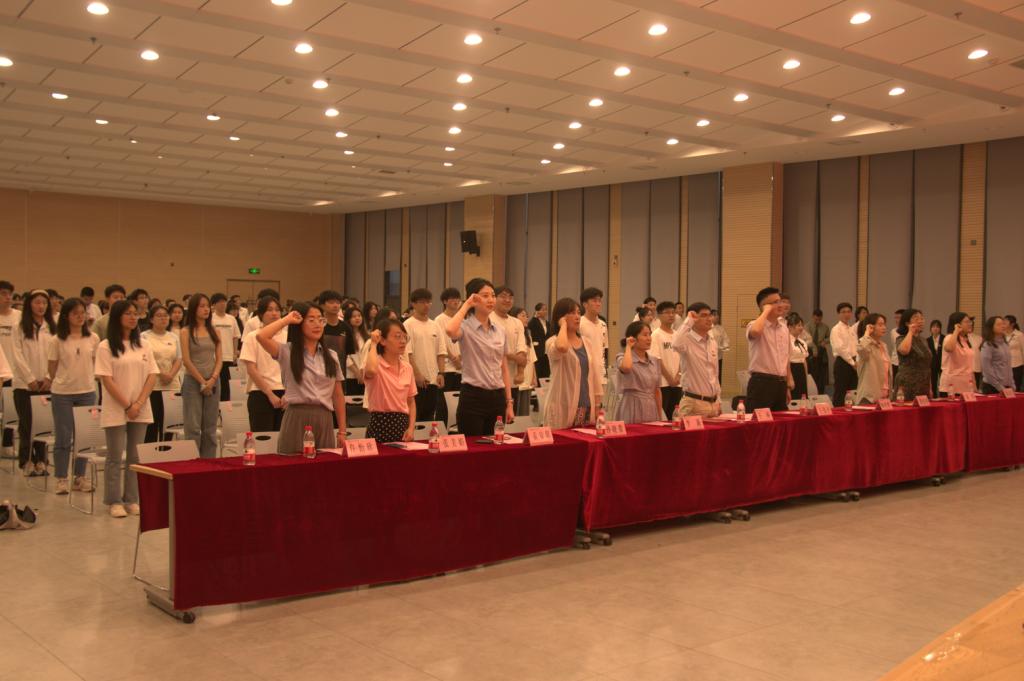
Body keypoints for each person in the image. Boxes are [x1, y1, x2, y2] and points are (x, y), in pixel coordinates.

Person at [94, 300, 158, 517]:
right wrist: (127, 405)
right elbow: (107, 379)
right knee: (114, 456)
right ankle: (114, 501)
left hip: (140, 407)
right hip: (116, 407)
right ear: (117, 317)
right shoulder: (105, 346)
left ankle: (131, 499)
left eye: (135, 313)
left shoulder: (144, 344)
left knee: (135, 456)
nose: (133, 317)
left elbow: (152, 375)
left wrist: (138, 403)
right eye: (128, 313)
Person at [256, 302, 346, 453]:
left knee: (324, 465)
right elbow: (261, 336)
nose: (317, 324)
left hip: (324, 418)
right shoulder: (287, 351)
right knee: (293, 464)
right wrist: (286, 320)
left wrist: (342, 431)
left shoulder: (331, 356)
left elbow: (338, 395)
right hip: (296, 416)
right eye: (311, 320)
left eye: (320, 319)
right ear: (299, 324)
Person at [445, 278, 515, 436]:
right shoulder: (465, 327)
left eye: (493, 295)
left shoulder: (500, 330)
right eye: (485, 296)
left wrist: (509, 403)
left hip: (497, 397)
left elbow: (503, 368)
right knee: (473, 447)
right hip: (473, 397)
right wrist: (467, 305)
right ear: (474, 298)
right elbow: (450, 330)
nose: (491, 300)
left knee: (496, 445)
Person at [46, 298, 99, 494]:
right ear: (66, 316)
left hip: (87, 392)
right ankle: (61, 478)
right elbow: (52, 368)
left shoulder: (93, 338)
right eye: (75, 313)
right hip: (63, 393)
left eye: (82, 312)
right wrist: (63, 380)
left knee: (83, 437)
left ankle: (79, 477)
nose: (80, 316)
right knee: (63, 437)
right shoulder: (56, 340)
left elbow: (95, 363)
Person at [12, 290, 55, 476]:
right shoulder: (19, 327)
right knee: (27, 424)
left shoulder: (52, 328)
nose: (41, 306)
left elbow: (55, 356)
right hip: (24, 385)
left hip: (46, 384)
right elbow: (17, 355)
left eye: (44, 303)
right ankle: (26, 460)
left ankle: (42, 460)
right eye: (37, 302)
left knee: (43, 425)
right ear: (30, 304)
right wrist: (29, 378)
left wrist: (48, 377)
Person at [543, 298, 603, 428]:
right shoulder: (552, 342)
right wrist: (563, 326)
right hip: (563, 405)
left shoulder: (587, 342)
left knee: (586, 439)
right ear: (561, 317)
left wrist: (598, 404)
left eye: (578, 313)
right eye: (572, 313)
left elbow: (595, 375)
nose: (577, 317)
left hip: (586, 404)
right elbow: (562, 347)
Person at [180, 294, 222, 458]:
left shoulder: (215, 331)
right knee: (193, 427)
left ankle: (209, 463)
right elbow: (186, 360)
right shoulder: (186, 331)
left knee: (210, 428)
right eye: (201, 306)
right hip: (193, 381)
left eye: (207, 306)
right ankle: (193, 463)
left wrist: (212, 379)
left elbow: (219, 359)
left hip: (213, 380)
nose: (206, 309)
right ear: (193, 309)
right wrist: (202, 382)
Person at [362, 320, 417, 443]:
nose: (403, 341)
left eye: (405, 337)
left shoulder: (407, 367)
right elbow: (370, 370)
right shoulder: (376, 363)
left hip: (402, 425)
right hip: (379, 425)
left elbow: (411, 401)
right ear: (383, 341)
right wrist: (373, 343)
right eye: (397, 336)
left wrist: (411, 428)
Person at [239, 296, 287, 432]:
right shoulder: (252, 336)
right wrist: (270, 394)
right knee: (263, 440)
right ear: (260, 314)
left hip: (286, 393)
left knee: (284, 439)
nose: (274, 313)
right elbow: (251, 369)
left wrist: (289, 393)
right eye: (269, 310)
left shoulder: (288, 336)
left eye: (277, 310)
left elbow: (294, 369)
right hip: (260, 393)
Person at [745, 287, 794, 412]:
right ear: (764, 306)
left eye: (780, 301)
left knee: (780, 421)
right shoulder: (754, 324)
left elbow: (785, 356)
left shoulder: (784, 328)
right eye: (775, 302)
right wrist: (766, 311)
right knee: (759, 421)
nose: (781, 305)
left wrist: (788, 383)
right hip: (762, 383)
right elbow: (756, 332)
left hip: (780, 383)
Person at [403, 288, 446, 423]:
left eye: (428, 302)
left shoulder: (435, 325)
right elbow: (408, 353)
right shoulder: (407, 325)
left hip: (433, 379)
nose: (426, 305)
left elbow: (441, 352)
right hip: (414, 381)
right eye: (422, 302)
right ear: (413, 304)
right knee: (414, 417)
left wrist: (441, 373)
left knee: (429, 418)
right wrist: (417, 374)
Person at [672, 302, 721, 417]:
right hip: (693, 403)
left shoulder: (712, 341)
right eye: (704, 315)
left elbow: (714, 374)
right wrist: (688, 321)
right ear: (693, 319)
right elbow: (675, 344)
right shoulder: (686, 340)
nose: (709, 319)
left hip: (713, 403)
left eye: (710, 315)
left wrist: (718, 400)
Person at [140, 305, 182, 442]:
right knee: (152, 425)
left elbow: (179, 358)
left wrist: (170, 374)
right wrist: (161, 374)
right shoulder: (144, 336)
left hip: (172, 385)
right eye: (159, 315)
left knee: (168, 425)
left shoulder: (173, 337)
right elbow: (145, 358)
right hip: (153, 385)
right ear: (151, 319)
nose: (163, 318)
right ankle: (150, 453)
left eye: (165, 315)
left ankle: (166, 453)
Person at [614, 322, 661, 423]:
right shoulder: (622, 357)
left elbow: (657, 390)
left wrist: (660, 416)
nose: (649, 338)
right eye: (645, 335)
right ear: (633, 338)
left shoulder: (654, 361)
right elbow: (626, 367)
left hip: (651, 406)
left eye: (650, 334)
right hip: (631, 405)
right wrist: (628, 346)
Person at [490, 286, 527, 408]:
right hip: (492, 381)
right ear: (494, 299)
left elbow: (522, 350)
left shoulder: (517, 322)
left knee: (511, 416)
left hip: (512, 382)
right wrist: (515, 357)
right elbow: (494, 350)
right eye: (503, 297)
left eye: (510, 297)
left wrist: (520, 372)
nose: (507, 300)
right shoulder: (488, 319)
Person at [649, 301, 682, 419]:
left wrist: (678, 375)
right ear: (659, 315)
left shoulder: (678, 335)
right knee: (664, 416)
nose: (671, 315)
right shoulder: (656, 335)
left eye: (673, 312)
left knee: (676, 416)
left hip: (678, 382)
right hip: (663, 383)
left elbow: (682, 357)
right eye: (667, 312)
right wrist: (669, 378)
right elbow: (656, 359)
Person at [892, 309, 931, 400]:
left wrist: (930, 387)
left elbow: (927, 364)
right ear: (907, 323)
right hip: (907, 383)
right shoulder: (901, 338)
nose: (920, 321)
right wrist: (910, 332)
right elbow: (904, 350)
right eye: (916, 318)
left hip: (924, 383)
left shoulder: (923, 340)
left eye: (921, 318)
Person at [0, 280, 21, 453]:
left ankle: (7, 443)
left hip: (14, 370)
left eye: (10, 294)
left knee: (10, 409)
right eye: (3, 294)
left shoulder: (18, 316)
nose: (8, 297)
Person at [208, 293, 241, 402]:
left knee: (226, 385)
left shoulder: (231, 319)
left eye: (224, 301)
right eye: (220, 302)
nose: (223, 304)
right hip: (214, 357)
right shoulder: (210, 318)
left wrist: (235, 353)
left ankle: (225, 406)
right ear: (213, 304)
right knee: (214, 384)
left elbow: (235, 337)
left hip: (228, 356)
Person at [854, 313, 891, 404]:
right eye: (880, 325)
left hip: (884, 395)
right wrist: (867, 333)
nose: (884, 327)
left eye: (884, 324)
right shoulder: (866, 344)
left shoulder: (884, 346)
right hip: (869, 397)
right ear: (871, 327)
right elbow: (861, 349)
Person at [319, 290, 353, 390]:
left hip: (340, 375)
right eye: (331, 302)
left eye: (338, 302)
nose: (335, 305)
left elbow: (348, 353)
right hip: (320, 374)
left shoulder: (346, 327)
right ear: (322, 305)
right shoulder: (318, 326)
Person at [941, 312, 976, 396]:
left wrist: (974, 385)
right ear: (957, 324)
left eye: (970, 322)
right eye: (966, 322)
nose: (970, 324)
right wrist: (956, 331)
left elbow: (968, 365)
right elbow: (949, 348)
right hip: (952, 386)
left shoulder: (965, 340)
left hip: (967, 385)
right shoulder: (949, 337)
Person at [830, 302, 858, 407]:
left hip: (854, 362)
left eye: (849, 312)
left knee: (853, 391)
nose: (846, 314)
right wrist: (852, 362)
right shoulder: (836, 329)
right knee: (841, 392)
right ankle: (837, 413)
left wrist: (857, 361)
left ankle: (851, 412)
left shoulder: (851, 329)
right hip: (843, 362)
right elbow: (840, 348)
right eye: (843, 312)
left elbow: (856, 347)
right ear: (838, 314)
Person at [435, 288, 463, 393]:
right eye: (453, 298)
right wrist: (454, 359)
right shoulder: (439, 320)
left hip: (461, 368)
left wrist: (461, 357)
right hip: (447, 368)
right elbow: (441, 343)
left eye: (458, 299)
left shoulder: (461, 319)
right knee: (445, 400)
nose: (456, 301)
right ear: (445, 301)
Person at [579, 287, 608, 381]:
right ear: (585, 304)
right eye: (594, 301)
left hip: (600, 373)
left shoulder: (603, 324)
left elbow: (604, 350)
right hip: (584, 374)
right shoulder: (579, 323)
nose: (598, 304)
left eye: (599, 301)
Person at [980, 316, 1015, 394]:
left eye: (1003, 324)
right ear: (991, 328)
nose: (1002, 326)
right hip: (992, 386)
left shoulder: (1005, 343)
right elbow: (987, 369)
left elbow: (1008, 366)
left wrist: (1012, 384)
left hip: (1006, 386)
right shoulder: (988, 344)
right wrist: (999, 387)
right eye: (999, 324)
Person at [343, 306, 367, 395]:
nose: (357, 318)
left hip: (365, 375)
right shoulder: (345, 335)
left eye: (359, 316)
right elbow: (346, 357)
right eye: (354, 316)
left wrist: (363, 372)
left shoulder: (365, 335)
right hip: (351, 375)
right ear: (348, 319)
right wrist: (357, 372)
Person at [787, 313, 809, 400]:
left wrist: (806, 376)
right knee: (794, 397)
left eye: (802, 325)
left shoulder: (802, 342)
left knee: (802, 396)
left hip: (801, 370)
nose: (801, 328)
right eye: (798, 325)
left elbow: (804, 360)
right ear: (790, 327)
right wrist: (790, 378)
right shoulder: (786, 340)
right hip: (791, 369)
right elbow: (786, 360)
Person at [808, 309, 830, 395]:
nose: (818, 321)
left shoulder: (825, 327)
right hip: (811, 352)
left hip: (821, 351)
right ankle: (812, 392)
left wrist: (825, 341)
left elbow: (829, 337)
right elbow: (808, 340)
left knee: (822, 375)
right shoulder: (807, 326)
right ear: (813, 317)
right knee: (812, 374)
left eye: (819, 319)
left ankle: (821, 392)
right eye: (816, 319)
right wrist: (814, 349)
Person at [528, 302, 550, 379]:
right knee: (538, 371)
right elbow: (529, 327)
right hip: (537, 350)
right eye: (543, 310)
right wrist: (534, 317)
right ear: (537, 311)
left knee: (546, 372)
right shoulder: (534, 322)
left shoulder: (547, 323)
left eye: (546, 310)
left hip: (546, 350)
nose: (545, 311)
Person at [709, 309, 730, 382]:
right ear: (710, 316)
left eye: (718, 315)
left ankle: (718, 389)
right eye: (714, 315)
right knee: (709, 377)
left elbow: (726, 339)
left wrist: (724, 346)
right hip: (708, 357)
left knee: (717, 376)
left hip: (719, 356)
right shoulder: (707, 327)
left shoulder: (721, 328)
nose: (717, 317)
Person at [1006, 315, 1023, 391]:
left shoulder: (1019, 335)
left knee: (1016, 387)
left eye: (1005, 322)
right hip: (1005, 365)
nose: (1003, 323)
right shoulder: (1002, 335)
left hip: (1017, 365)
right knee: (1006, 387)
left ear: (1012, 324)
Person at [927, 320, 944, 397]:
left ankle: (943, 397)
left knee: (943, 383)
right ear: (930, 329)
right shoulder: (928, 340)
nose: (935, 328)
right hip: (932, 365)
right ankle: (934, 397)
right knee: (933, 382)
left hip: (943, 364)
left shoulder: (944, 338)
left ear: (940, 329)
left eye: (937, 327)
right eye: (933, 326)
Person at [966, 317, 983, 390]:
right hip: (966, 368)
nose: (970, 326)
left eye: (972, 325)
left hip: (977, 366)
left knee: (976, 387)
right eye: (969, 324)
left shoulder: (979, 338)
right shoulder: (961, 338)